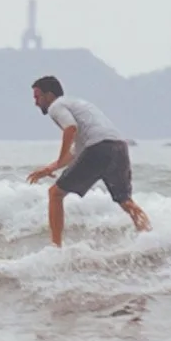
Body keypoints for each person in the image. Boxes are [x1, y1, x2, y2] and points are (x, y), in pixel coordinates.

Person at [27, 76, 151, 246]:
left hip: (99, 148)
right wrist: (51, 168)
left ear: (48, 95)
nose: (35, 102)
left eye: (37, 97)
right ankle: (150, 237)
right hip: (118, 147)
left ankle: (55, 248)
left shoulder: (56, 106)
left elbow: (70, 128)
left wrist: (58, 162)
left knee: (55, 194)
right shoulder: (77, 104)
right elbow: (77, 151)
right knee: (125, 201)